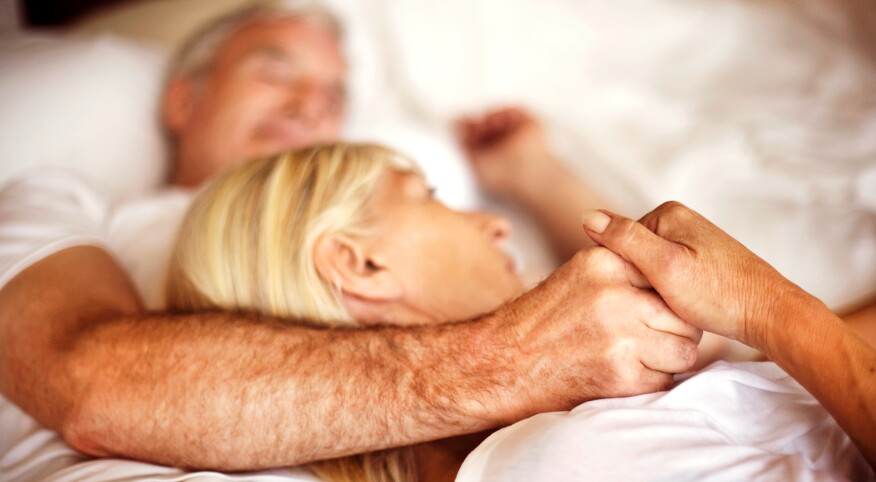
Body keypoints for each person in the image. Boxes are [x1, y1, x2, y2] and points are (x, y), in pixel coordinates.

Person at [0, 5, 698, 475]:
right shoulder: (65, 207)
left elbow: (676, 326)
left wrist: (534, 175)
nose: (310, 105)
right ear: (185, 98)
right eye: (274, 72)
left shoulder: (395, 227)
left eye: (333, 96)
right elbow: (87, 385)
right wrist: (513, 360)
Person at [451, 204, 876, 480]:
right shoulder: (562, 458)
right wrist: (765, 304)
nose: (496, 222)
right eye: (427, 195)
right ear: (379, 270)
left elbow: (709, 341)